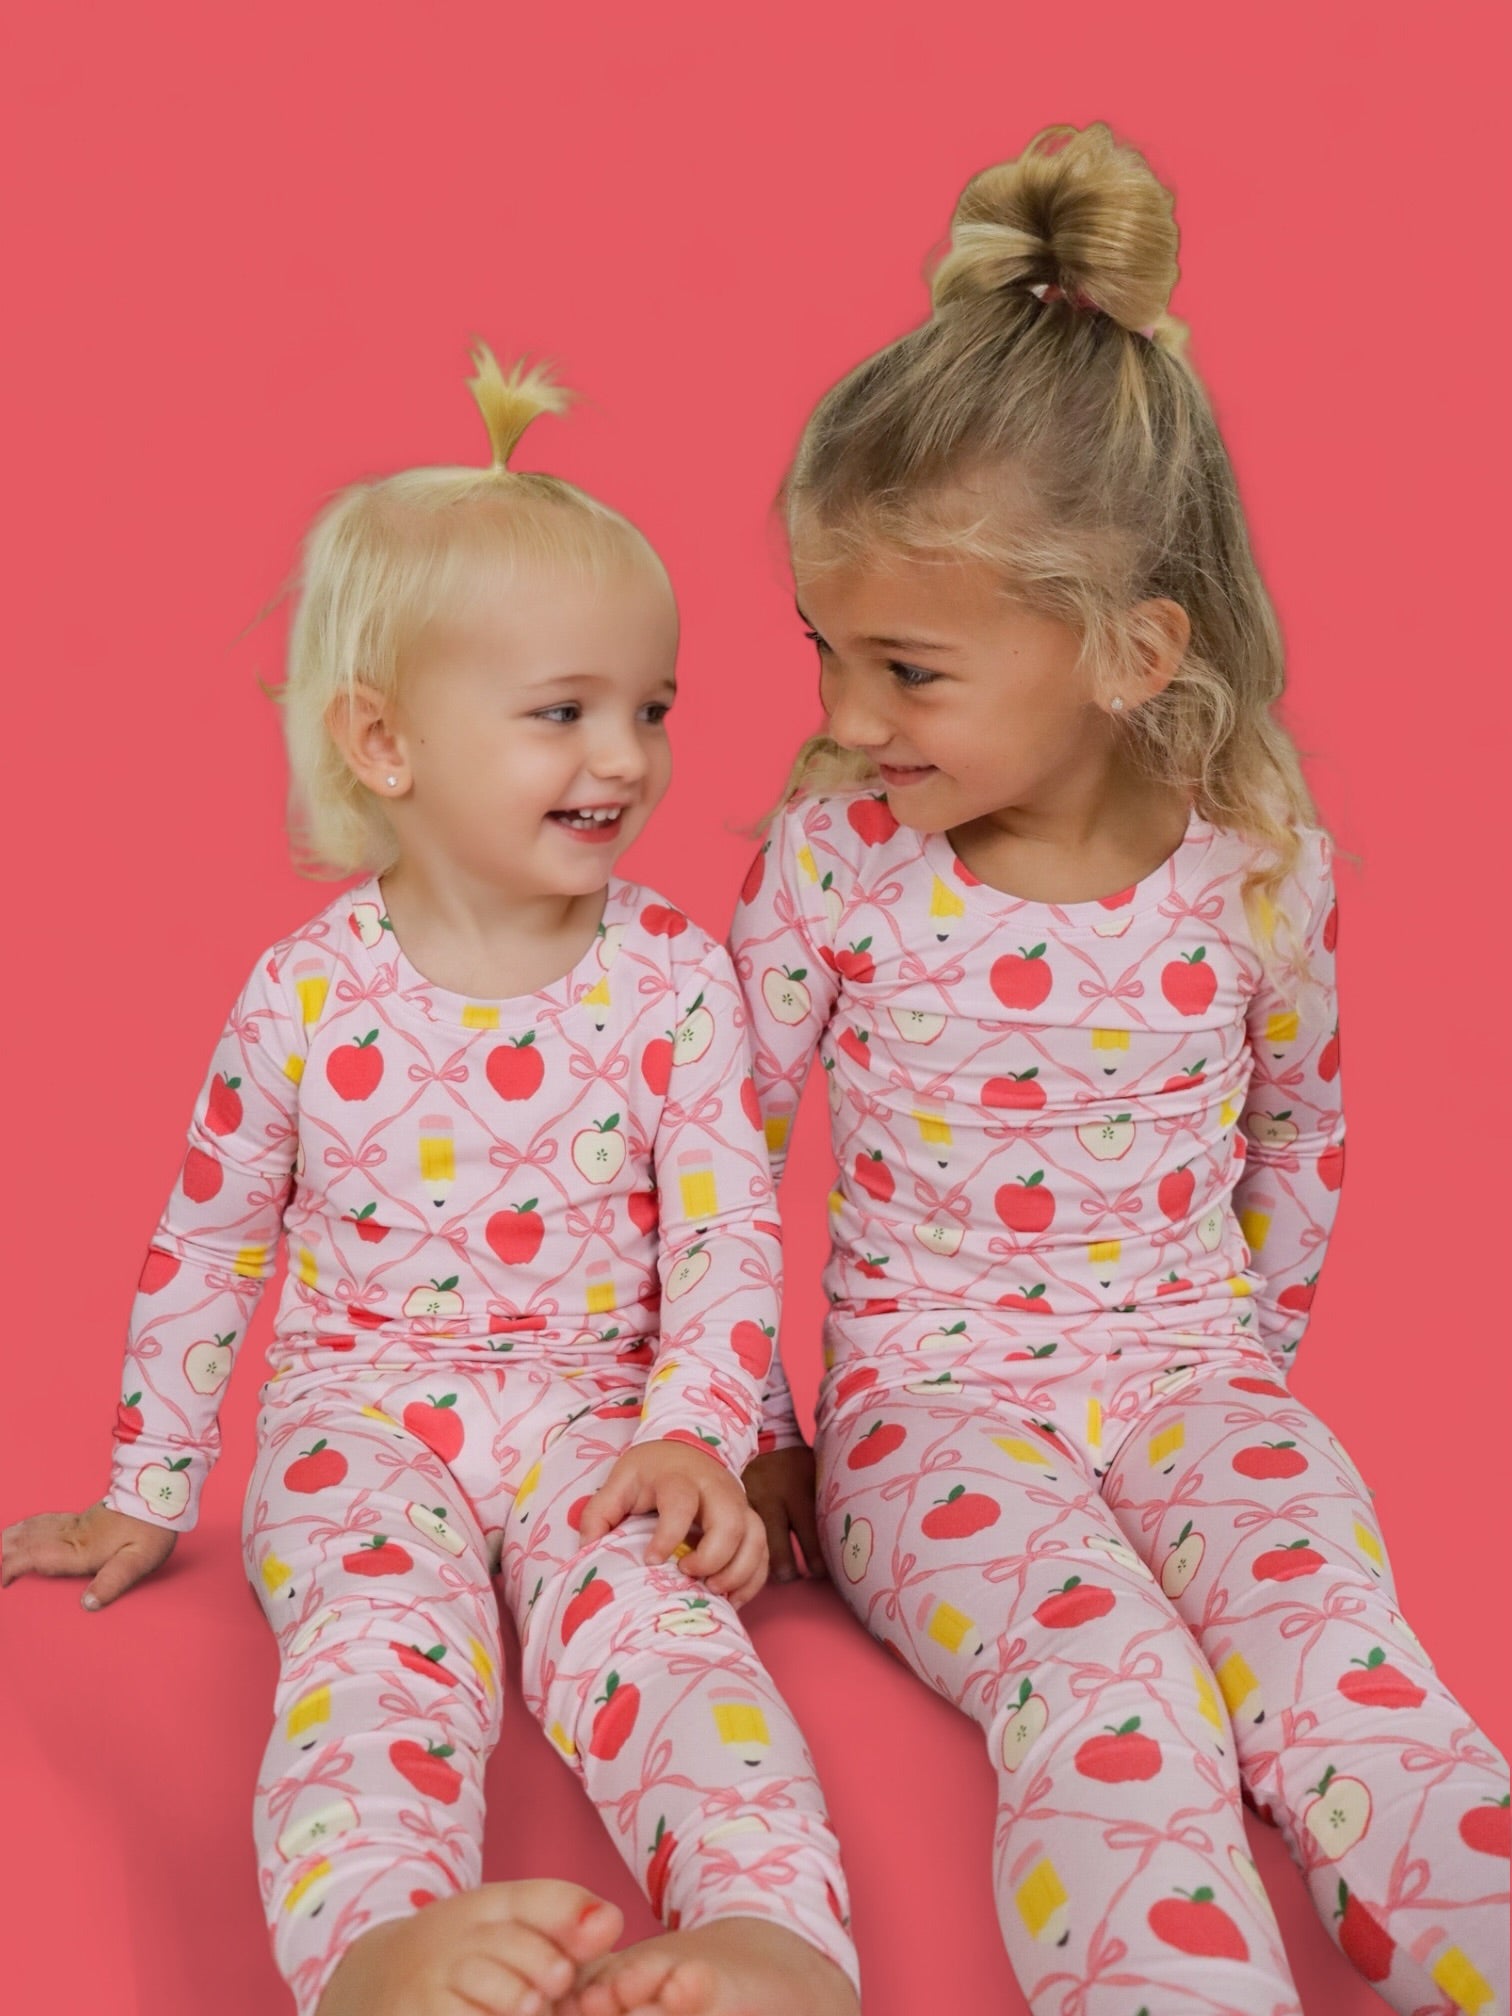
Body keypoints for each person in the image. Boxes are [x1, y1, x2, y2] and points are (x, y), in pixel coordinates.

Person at [732, 123, 1510, 2016]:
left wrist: (1246, 1372)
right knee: (1106, 1684)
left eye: (909, 671)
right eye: (827, 649)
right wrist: (759, 1425)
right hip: (929, 1412)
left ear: (1128, 649)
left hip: (1194, 1379)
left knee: (1341, 1655)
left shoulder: (1256, 868)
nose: (843, 714)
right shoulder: (838, 860)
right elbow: (715, 1146)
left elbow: (1300, 1129)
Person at [1, 346, 859, 2016]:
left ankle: (776, 1930)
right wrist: (151, 1487)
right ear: (384, 743)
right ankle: (372, 1943)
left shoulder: (674, 978)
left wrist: (699, 1429)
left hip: (600, 1419)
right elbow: (208, 1245)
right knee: (371, 1658)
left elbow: (726, 1226)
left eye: (652, 708)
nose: (626, 756)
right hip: (361, 1421)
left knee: (673, 1648)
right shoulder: (303, 997)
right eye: (563, 713)